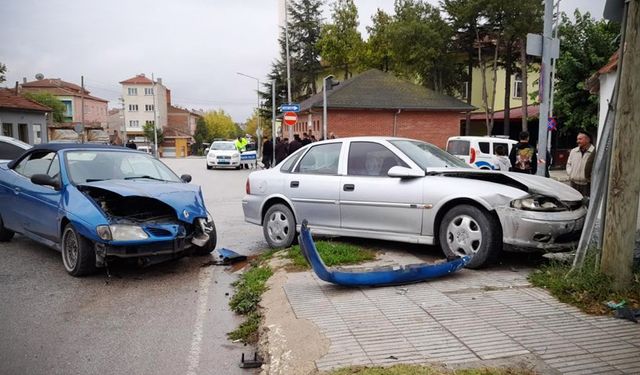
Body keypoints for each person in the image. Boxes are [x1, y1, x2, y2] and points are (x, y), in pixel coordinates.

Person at [566, 130, 595, 197]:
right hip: (574, 184)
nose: (577, 141)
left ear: (588, 140)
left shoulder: (594, 152)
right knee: (574, 203)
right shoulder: (574, 151)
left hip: (587, 185)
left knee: (586, 204)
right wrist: (570, 173)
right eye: (577, 139)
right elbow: (568, 164)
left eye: (580, 139)